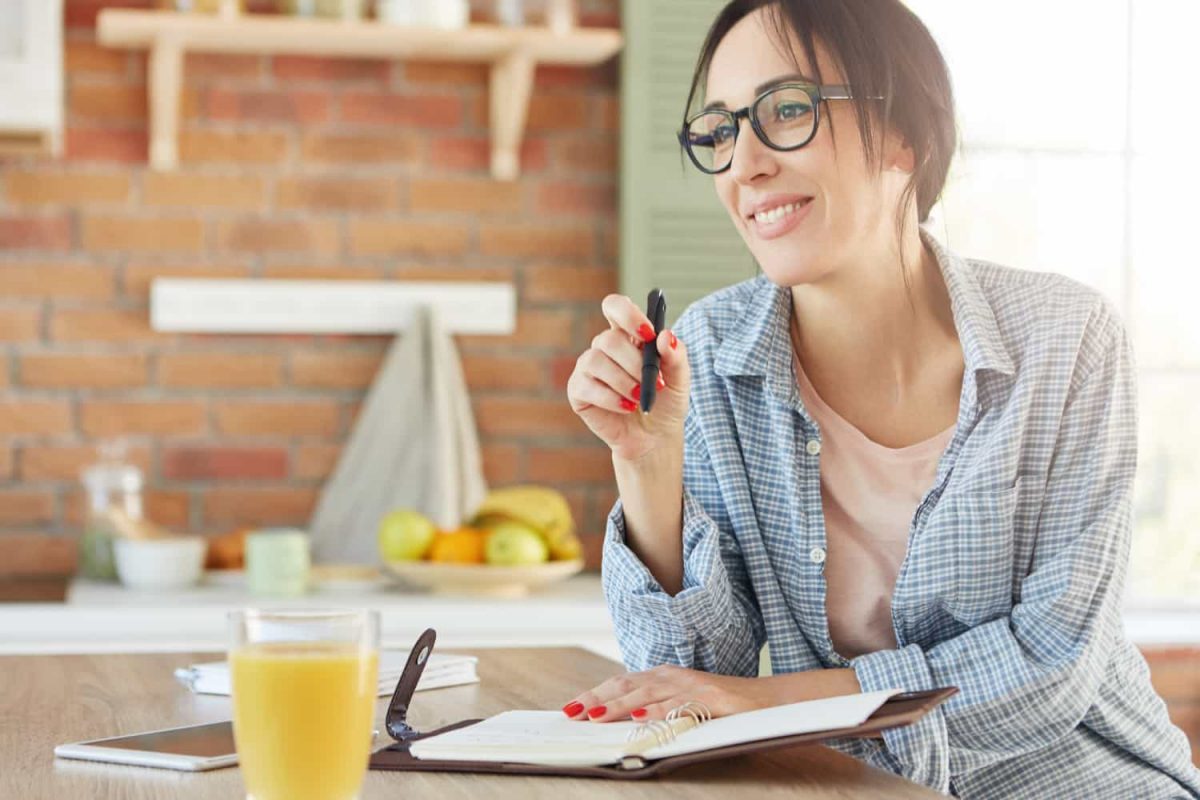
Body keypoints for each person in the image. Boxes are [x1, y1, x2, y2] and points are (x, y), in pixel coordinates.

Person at [561, 0, 1200, 796]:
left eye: (787, 110)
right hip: (848, 785)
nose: (744, 164)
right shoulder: (715, 352)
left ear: (904, 132)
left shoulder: (1067, 340)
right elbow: (692, 689)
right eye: (721, 131)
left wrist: (777, 701)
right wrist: (649, 464)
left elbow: (1052, 662)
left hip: (1082, 775)